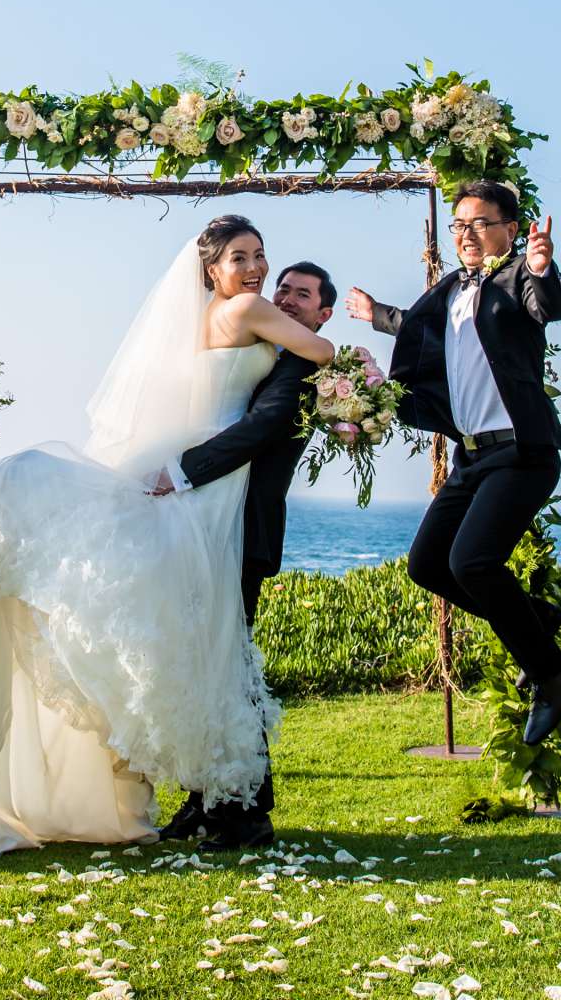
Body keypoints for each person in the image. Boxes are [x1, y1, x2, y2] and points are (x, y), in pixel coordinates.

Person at [0, 216, 334, 871]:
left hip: (195, 475)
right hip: (207, 488)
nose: (256, 269)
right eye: (241, 256)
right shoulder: (248, 309)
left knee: (194, 641)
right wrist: (330, 354)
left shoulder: (202, 316)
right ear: (211, 269)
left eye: (260, 255)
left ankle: (211, 797)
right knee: (210, 642)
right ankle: (226, 804)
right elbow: (323, 355)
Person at [347, 179, 561, 744]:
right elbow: (424, 326)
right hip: (471, 458)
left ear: (510, 229)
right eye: (458, 226)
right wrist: (378, 314)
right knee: (428, 565)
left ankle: (550, 671)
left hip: (522, 452)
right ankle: (537, 622)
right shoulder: (451, 287)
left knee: (473, 563)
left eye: (479, 224)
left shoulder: (519, 275)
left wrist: (543, 267)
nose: (466, 235)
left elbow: (550, 304)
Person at [153, 259, 336, 851]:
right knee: (211, 663)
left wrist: (184, 468)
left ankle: (249, 812)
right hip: (212, 522)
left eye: (302, 295)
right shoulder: (268, 351)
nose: (285, 296)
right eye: (282, 287)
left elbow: (263, 428)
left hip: (244, 525)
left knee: (233, 669)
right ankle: (204, 800)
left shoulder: (302, 365)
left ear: (322, 314)